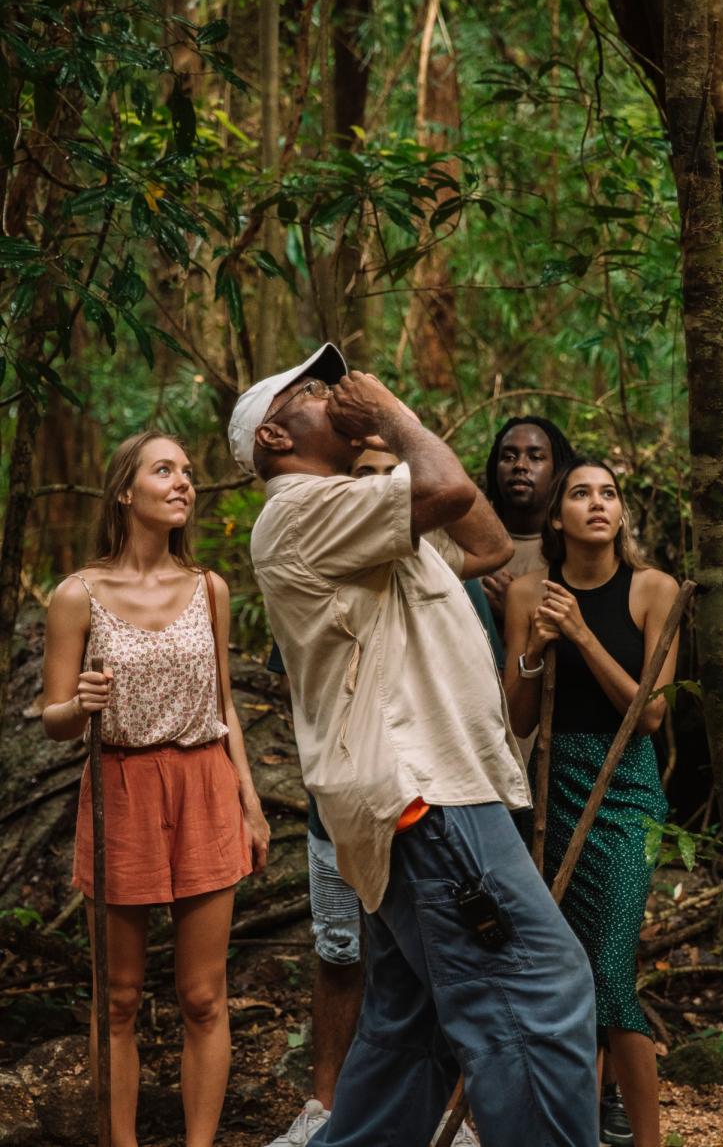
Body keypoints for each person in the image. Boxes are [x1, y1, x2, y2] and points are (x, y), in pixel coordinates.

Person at [228, 342, 599, 1147]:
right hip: (425, 794)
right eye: (311, 391)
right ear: (274, 438)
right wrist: (395, 416)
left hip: (427, 794)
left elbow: (491, 543)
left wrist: (389, 442)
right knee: (540, 991)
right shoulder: (298, 511)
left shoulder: (362, 509)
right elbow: (449, 486)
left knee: (410, 1034)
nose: (334, 392)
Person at [41, 431, 270, 1147]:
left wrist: (251, 802)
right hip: (123, 786)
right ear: (124, 491)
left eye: (188, 472)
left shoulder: (210, 588)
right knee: (118, 999)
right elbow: (53, 721)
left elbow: (226, 704)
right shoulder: (77, 595)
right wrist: (81, 703)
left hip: (204, 783)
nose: (183, 483)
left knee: (204, 995)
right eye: (163, 470)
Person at [266, 445, 488, 1147]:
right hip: (343, 805)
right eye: (359, 475)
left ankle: (450, 1116)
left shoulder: (440, 571)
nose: (374, 486)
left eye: (388, 473)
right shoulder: (321, 557)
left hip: (427, 809)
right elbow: (298, 686)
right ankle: (326, 1106)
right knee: (342, 955)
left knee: (435, 968)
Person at [503, 457, 679, 1147]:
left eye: (608, 493)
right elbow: (516, 720)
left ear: (621, 514)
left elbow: (652, 717)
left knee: (609, 968)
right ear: (557, 516)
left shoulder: (653, 589)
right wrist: (537, 651)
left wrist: (581, 633)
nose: (597, 504)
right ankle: (575, 1128)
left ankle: (647, 1138)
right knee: (566, 972)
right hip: (555, 787)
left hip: (628, 786)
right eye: (580, 494)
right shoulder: (526, 593)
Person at [482, 415, 575, 648]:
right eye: (509, 457)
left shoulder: (575, 549)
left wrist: (515, 611)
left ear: (558, 469)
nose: (520, 466)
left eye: (535, 457)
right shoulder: (469, 542)